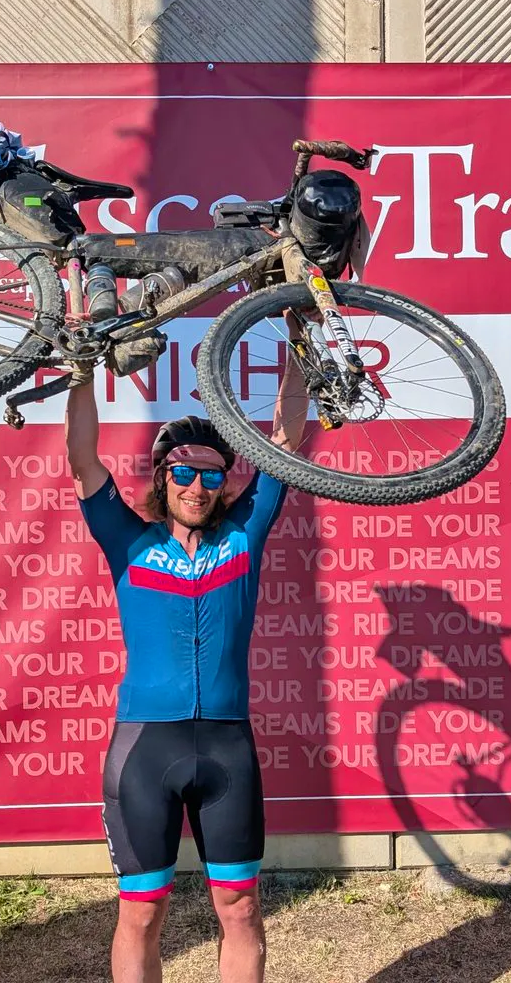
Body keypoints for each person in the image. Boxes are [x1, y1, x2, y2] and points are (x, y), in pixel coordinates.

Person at [64, 312, 311, 983]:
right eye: (183, 473)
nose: (198, 487)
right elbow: (83, 460)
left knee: (240, 907)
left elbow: (286, 436)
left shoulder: (244, 537)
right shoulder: (130, 541)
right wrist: (81, 372)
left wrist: (300, 337)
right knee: (142, 914)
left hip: (228, 747)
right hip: (146, 748)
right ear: (161, 476)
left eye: (211, 476)